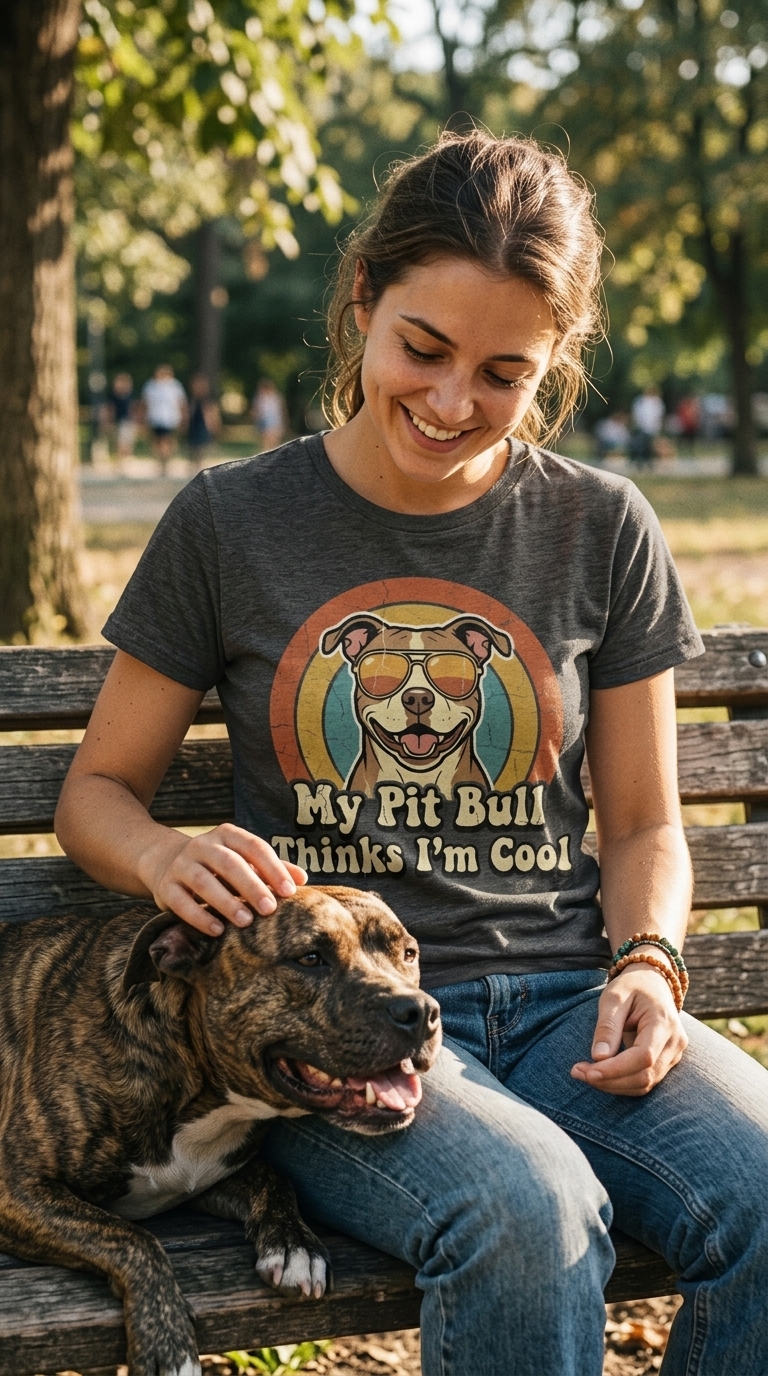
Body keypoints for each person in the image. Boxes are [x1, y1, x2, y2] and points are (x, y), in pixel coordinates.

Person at [55, 133, 767, 1376]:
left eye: (504, 372)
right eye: (423, 350)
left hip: (564, 1001)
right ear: (364, 303)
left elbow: (648, 822)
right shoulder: (230, 518)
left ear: (555, 365)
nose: (451, 403)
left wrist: (650, 961)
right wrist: (163, 851)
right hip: (325, 1024)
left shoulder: (603, 525)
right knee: (526, 1211)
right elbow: (95, 792)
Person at [141, 363, 187, 471]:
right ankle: (160, 461)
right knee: (157, 441)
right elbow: (145, 403)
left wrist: (183, 417)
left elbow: (181, 402)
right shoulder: (151, 386)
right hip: (155, 418)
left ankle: (166, 462)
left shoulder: (175, 385)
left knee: (167, 440)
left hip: (170, 418)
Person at [187, 372, 220, 469]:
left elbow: (212, 416)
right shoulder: (193, 401)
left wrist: (214, 426)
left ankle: (201, 466)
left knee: (203, 449)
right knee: (193, 448)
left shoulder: (207, 401)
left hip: (203, 428)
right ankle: (195, 465)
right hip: (194, 427)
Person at [630, 386, 664, 466]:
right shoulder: (640, 401)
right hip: (642, 427)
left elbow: (659, 415)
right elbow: (636, 414)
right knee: (641, 445)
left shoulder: (657, 402)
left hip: (653, 427)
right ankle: (640, 461)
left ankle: (650, 462)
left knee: (651, 446)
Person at [252, 376, 287, 450]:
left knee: (273, 439)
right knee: (266, 440)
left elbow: (280, 410)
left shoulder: (275, 397)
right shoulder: (260, 397)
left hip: (273, 419)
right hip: (265, 419)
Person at [108, 372, 136, 459]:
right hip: (118, 420)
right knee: (119, 441)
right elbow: (110, 409)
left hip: (128, 420)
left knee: (127, 441)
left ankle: (126, 458)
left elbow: (134, 408)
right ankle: (121, 458)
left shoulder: (130, 396)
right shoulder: (113, 396)